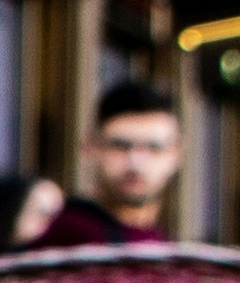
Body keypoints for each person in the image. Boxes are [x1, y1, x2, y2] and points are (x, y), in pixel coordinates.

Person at [77, 77, 184, 239]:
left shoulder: (160, 244)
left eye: (154, 148)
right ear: (90, 148)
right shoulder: (67, 238)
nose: (136, 163)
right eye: (121, 146)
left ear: (176, 153)